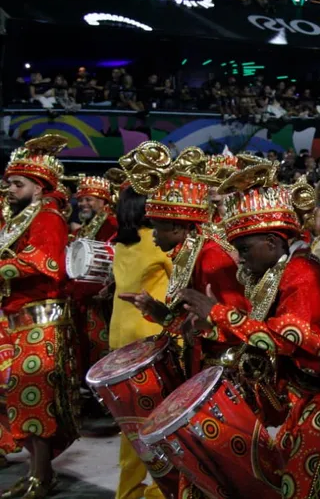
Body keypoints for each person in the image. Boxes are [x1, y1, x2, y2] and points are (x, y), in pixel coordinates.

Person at [177, 164, 320, 498]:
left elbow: (286, 338)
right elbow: (264, 334)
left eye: (245, 249)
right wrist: (214, 325)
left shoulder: (302, 271)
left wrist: (219, 313)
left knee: (313, 481)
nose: (239, 258)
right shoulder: (279, 271)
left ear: (271, 242)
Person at [116, 142, 250, 498]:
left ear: (178, 225)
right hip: (200, 367)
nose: (153, 234)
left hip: (222, 378)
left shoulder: (211, 255)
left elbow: (239, 323)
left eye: (158, 226)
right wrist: (157, 311)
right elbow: (188, 321)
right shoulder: (190, 251)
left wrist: (209, 324)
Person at [0, 135, 78, 499]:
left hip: (42, 318)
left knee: (34, 398)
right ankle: (37, 472)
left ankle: (42, 476)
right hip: (21, 316)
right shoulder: (23, 218)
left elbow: (45, 263)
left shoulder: (48, 216)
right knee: (19, 396)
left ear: (39, 187)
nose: (10, 189)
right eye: (10, 183)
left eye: (18, 184)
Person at [110, 185, 172, 499]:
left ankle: (128, 490)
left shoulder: (121, 244)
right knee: (160, 420)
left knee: (130, 423)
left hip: (120, 337)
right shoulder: (157, 241)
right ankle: (161, 491)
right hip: (150, 337)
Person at [68, 176, 118, 392]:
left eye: (88, 199)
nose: (83, 204)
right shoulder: (83, 229)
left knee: (99, 345)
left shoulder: (111, 224)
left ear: (103, 201)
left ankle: (101, 389)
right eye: (80, 200)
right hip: (81, 297)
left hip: (101, 299)